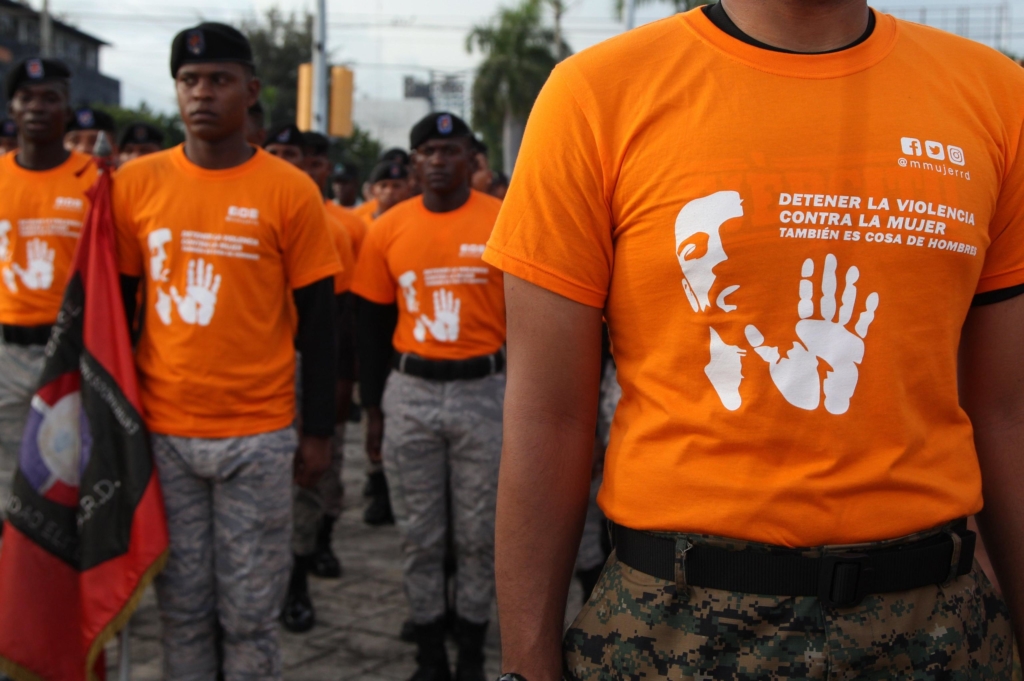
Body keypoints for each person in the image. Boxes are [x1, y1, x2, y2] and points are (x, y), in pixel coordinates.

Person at [485, 0, 1024, 679]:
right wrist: (525, 662)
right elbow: (548, 414)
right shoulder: (596, 93)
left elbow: (1007, 412)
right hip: (671, 626)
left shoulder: (994, 94)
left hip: (934, 626)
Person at [112, 23, 340, 678]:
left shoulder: (291, 190)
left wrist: (319, 432)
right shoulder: (137, 184)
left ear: (252, 91)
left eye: (218, 80)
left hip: (259, 436)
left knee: (249, 611)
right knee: (180, 607)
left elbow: (318, 324)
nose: (202, 93)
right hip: (163, 434)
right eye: (189, 80)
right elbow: (120, 313)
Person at [352, 112, 505, 681]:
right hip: (410, 393)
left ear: (471, 159)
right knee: (419, 535)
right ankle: (429, 655)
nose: (439, 161)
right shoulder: (386, 228)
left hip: (485, 392)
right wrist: (372, 412)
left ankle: (470, 653)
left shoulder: (503, 220)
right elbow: (368, 328)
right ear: (413, 162)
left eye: (450, 150)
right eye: (428, 152)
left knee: (477, 535)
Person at [262, 123, 355, 633]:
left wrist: (333, 401)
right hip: (253, 368)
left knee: (303, 485)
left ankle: (297, 579)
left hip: (301, 367)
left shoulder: (333, 229)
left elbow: (333, 327)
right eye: (273, 152)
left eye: (292, 154)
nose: (284, 161)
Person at [0, 58, 97, 538]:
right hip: (5, 352)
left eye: (50, 98)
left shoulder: (94, 182)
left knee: (66, 475)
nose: (37, 108)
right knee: (5, 480)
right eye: (27, 98)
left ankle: (69, 597)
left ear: (67, 107)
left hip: (69, 356)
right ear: (12, 107)